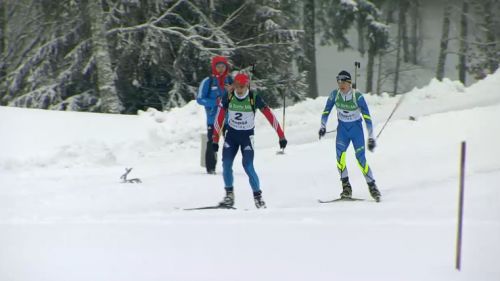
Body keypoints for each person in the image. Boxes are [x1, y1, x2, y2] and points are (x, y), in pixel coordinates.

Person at [212, 73, 287, 209]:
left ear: (247, 85)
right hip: (232, 136)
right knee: (226, 164)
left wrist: (281, 136)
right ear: (234, 85)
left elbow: (270, 115)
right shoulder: (229, 96)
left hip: (247, 137)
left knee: (248, 165)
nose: (239, 90)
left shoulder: (253, 97)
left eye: (242, 87)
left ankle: (258, 197)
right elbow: (219, 118)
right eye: (237, 86)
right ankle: (229, 195)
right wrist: (215, 140)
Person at [318, 70, 381, 202]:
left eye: (343, 82)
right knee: (340, 158)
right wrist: (323, 126)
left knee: (361, 159)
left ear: (349, 83)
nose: (340, 84)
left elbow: (367, 117)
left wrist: (370, 137)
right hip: (342, 131)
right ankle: (346, 187)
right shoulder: (334, 95)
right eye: (338, 81)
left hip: (356, 131)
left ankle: (372, 186)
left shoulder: (357, 96)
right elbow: (326, 112)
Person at [196, 56, 233, 174]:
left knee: (230, 143)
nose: (221, 69)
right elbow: (200, 99)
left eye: (223, 66)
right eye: (218, 66)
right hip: (213, 119)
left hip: (228, 119)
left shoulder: (230, 80)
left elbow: (240, 96)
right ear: (214, 67)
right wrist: (214, 102)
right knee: (212, 143)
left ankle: (227, 166)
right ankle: (210, 168)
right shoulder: (208, 81)